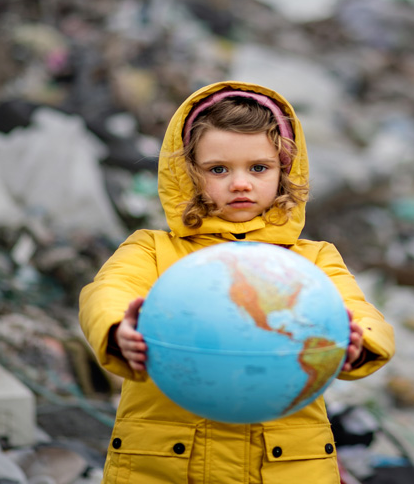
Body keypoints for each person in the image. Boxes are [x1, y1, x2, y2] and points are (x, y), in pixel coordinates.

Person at [79, 81, 395, 484]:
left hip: (285, 467)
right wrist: (117, 326)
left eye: (259, 168)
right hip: (165, 466)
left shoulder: (312, 259)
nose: (240, 183)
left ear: (285, 171)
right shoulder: (154, 250)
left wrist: (357, 343)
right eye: (218, 169)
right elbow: (106, 291)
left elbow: (364, 314)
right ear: (188, 173)